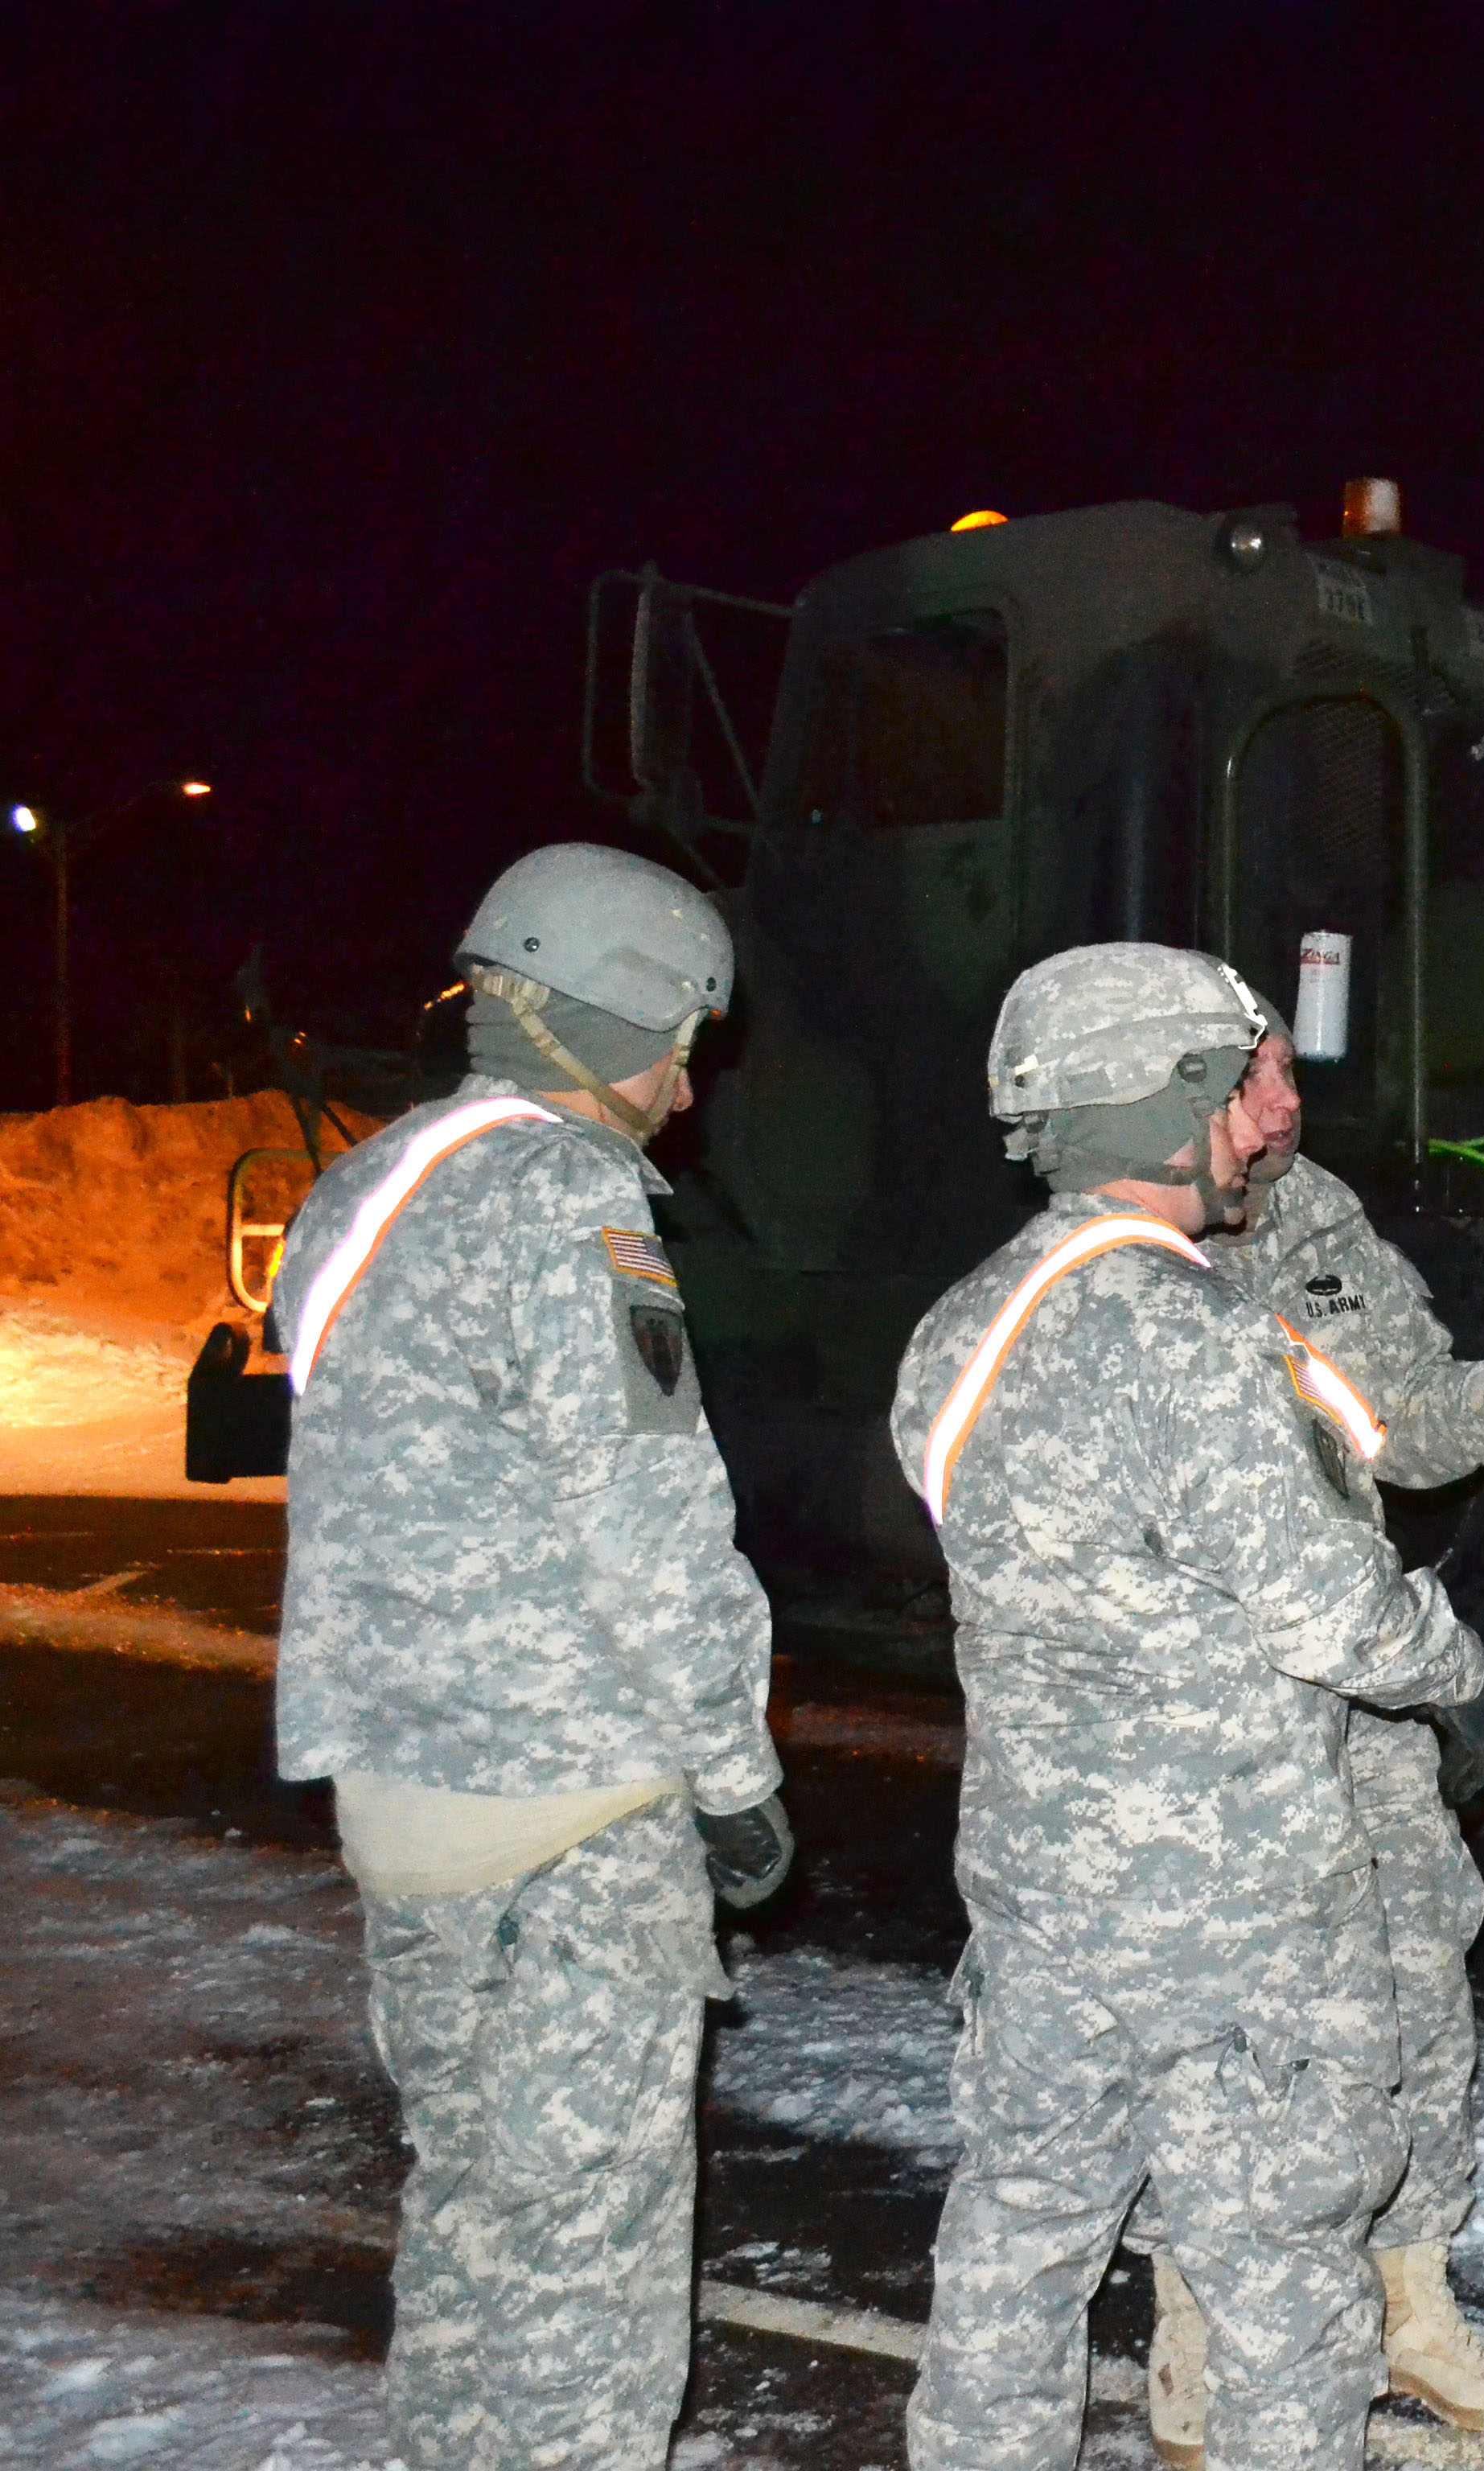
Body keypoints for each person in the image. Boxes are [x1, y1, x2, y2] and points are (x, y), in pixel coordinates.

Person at [893, 944, 1484, 2471]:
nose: (1254, 1122)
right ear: (1167, 1102)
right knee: (1286, 2285)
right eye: (1233, 1088)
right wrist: (1455, 1668)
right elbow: (1327, 1604)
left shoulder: (962, 1322)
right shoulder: (1194, 1331)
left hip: (1036, 1899)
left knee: (1013, 2265)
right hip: (1232, 1919)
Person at [273, 841, 783, 2471]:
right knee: (589, 2269)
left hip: (403, 1799)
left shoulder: (363, 1183)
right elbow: (649, 1525)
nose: (689, 1088)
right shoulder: (569, 1200)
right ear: (608, 1010)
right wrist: (736, 1777)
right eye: (681, 1039)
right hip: (567, 1813)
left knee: (474, 2213)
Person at [1140, 1009, 1484, 2461]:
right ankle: (1196, 2333)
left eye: (1290, 1066)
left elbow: (1390, 1415)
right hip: (1207, 1707)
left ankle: (1409, 2300)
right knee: (1221, 2027)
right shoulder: (1129, 1243)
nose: (1289, 1099)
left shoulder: (1314, 1212)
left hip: (1355, 1677)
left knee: (1418, 1967)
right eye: (1256, 1077)